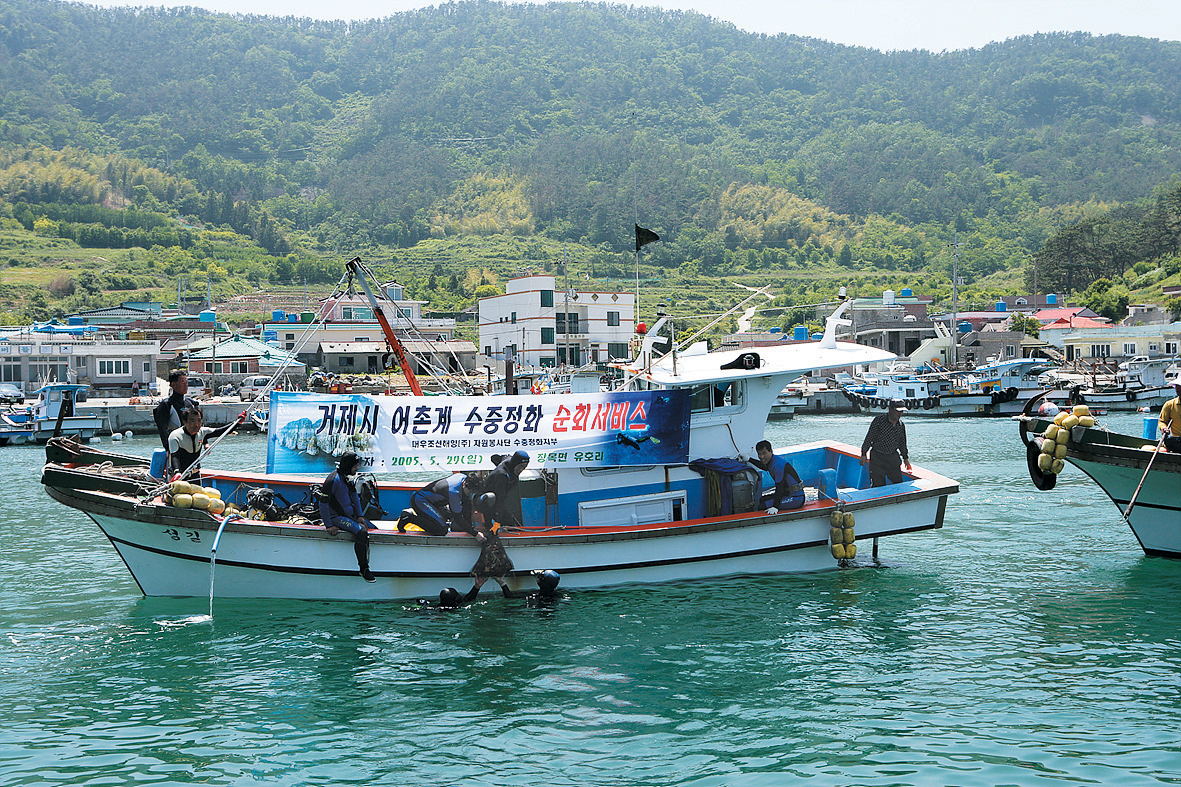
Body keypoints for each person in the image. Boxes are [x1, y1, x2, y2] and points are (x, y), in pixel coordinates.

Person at [318, 452, 378, 583]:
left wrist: (360, 516)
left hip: (349, 516)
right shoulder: (332, 480)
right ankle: (364, 568)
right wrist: (328, 525)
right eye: (355, 465)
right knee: (362, 532)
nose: (357, 468)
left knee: (373, 528)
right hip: (336, 517)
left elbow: (355, 498)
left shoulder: (347, 478)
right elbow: (322, 504)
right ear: (348, 465)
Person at [462, 491, 517, 601]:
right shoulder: (473, 504)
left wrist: (496, 526)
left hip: (487, 535)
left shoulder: (495, 509)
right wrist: (503, 584)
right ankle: (501, 582)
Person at [167, 406, 241, 476]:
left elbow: (221, 431)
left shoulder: (203, 432)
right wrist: (177, 472)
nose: (196, 424)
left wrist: (238, 422)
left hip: (195, 473)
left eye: (199, 420)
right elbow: (175, 456)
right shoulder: (175, 436)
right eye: (192, 421)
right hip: (179, 475)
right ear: (185, 422)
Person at [861, 399, 913, 487]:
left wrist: (906, 459)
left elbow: (902, 443)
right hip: (878, 458)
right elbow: (869, 438)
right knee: (878, 486)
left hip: (892, 458)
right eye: (897, 411)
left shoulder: (900, 425)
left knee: (899, 484)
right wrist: (863, 454)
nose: (899, 414)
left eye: (901, 412)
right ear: (890, 409)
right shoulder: (879, 421)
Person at [406, 472, 478, 535]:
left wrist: (469, 528)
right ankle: (409, 517)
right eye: (470, 492)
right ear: (464, 485)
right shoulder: (454, 492)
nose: (471, 494)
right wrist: (475, 534)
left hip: (435, 503)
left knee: (464, 504)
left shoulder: (463, 477)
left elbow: (467, 506)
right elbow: (458, 517)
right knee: (442, 530)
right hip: (420, 501)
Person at [752, 439, 804, 513]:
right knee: (762, 499)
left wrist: (775, 507)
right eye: (759, 454)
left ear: (771, 451)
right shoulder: (772, 460)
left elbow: (780, 487)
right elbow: (764, 466)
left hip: (796, 498)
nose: (762, 457)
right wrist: (749, 459)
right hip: (787, 494)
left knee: (762, 506)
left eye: (764, 453)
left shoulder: (778, 465)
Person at [481, 450, 530, 529]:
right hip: (485, 501)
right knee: (507, 523)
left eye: (524, 467)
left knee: (510, 521)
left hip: (498, 496)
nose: (522, 470)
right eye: (520, 466)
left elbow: (494, 458)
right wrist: (496, 525)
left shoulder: (509, 460)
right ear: (515, 463)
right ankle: (489, 530)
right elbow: (499, 501)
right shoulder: (501, 475)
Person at [153, 370, 197, 450]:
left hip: (192, 448)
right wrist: (168, 449)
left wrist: (205, 443)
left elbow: (199, 426)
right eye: (183, 383)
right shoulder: (166, 404)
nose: (186, 385)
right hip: (176, 448)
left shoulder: (190, 403)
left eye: (187, 383)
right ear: (173, 384)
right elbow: (162, 430)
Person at [1159, 381, 1181, 452]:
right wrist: (1164, 428)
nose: (1177, 388)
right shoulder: (1169, 405)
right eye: (1176, 385)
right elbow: (1162, 421)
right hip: (1177, 441)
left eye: (1180, 385)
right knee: (1169, 441)